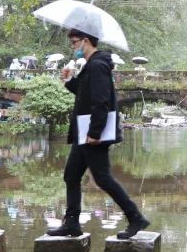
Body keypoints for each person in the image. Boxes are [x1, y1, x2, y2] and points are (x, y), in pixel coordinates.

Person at [46, 28, 150, 240]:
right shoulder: (91, 66)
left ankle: (135, 217)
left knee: (102, 178)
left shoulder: (98, 65)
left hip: (92, 132)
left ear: (85, 41)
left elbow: (101, 101)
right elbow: (85, 94)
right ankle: (72, 223)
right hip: (84, 131)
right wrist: (69, 81)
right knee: (71, 175)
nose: (72, 47)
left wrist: (95, 132)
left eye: (74, 42)